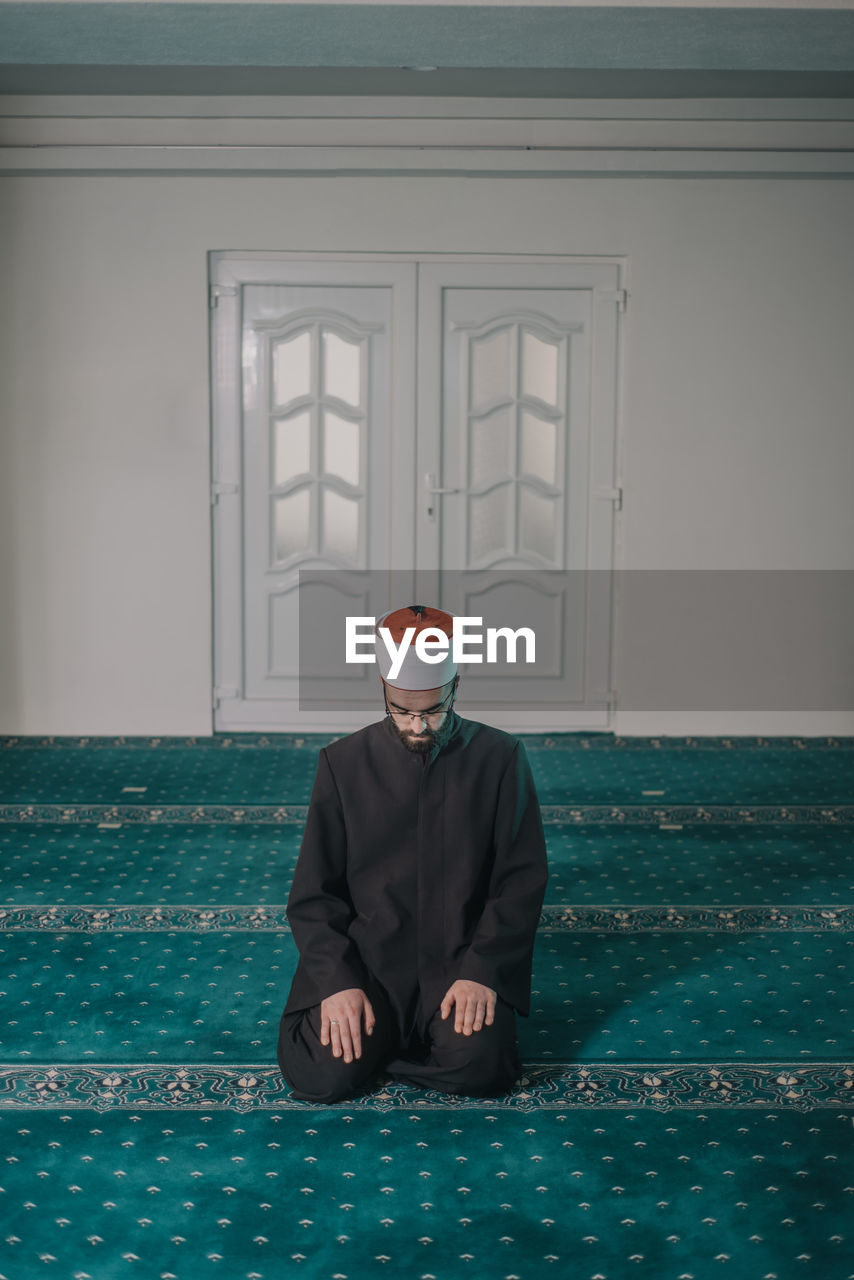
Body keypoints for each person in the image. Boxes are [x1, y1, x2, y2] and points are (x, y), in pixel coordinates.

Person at [276, 603, 549, 1103]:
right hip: (370, 965)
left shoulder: (501, 758)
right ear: (383, 690)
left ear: (455, 687)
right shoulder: (342, 763)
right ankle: (403, 1053)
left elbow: (520, 881)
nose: (418, 726)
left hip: (458, 964)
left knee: (482, 1069)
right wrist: (338, 982)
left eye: (432, 711)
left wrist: (482, 973)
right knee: (320, 1074)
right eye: (402, 712)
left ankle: (392, 1056)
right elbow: (313, 896)